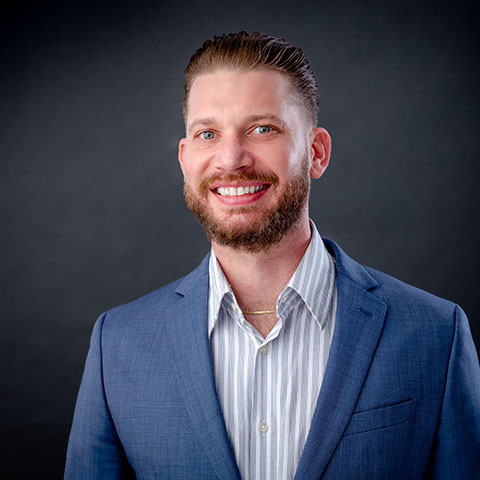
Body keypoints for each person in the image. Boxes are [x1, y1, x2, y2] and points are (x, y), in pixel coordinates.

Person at [64, 32, 480, 479]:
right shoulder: (117, 345)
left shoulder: (436, 335)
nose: (231, 159)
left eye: (262, 129)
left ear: (316, 153)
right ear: (185, 159)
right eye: (208, 134)